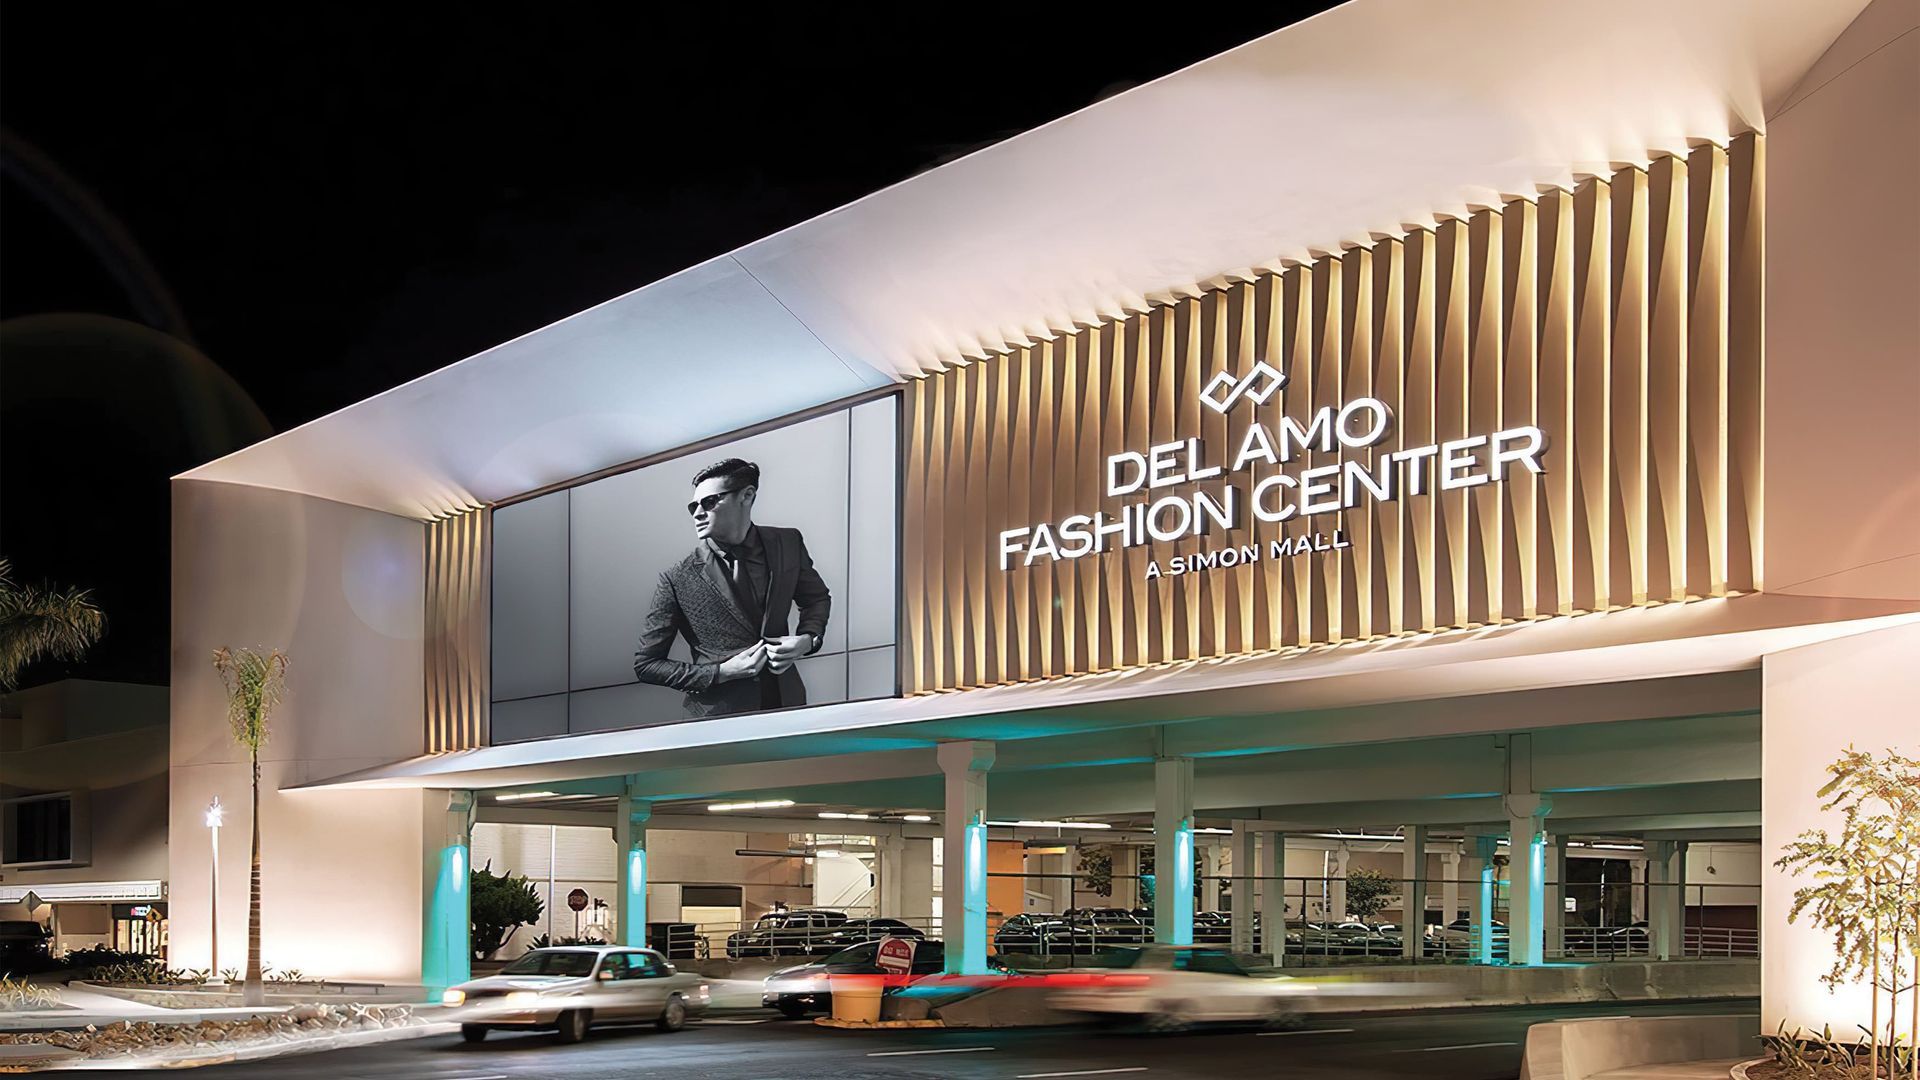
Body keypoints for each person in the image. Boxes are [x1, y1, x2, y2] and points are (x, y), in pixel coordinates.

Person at [632, 458, 831, 716]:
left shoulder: (788, 542)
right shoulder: (676, 578)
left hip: (787, 702)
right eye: (693, 506)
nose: (697, 513)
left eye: (709, 502)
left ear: (746, 496)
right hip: (718, 717)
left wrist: (808, 639)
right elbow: (646, 664)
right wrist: (721, 672)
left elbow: (816, 598)